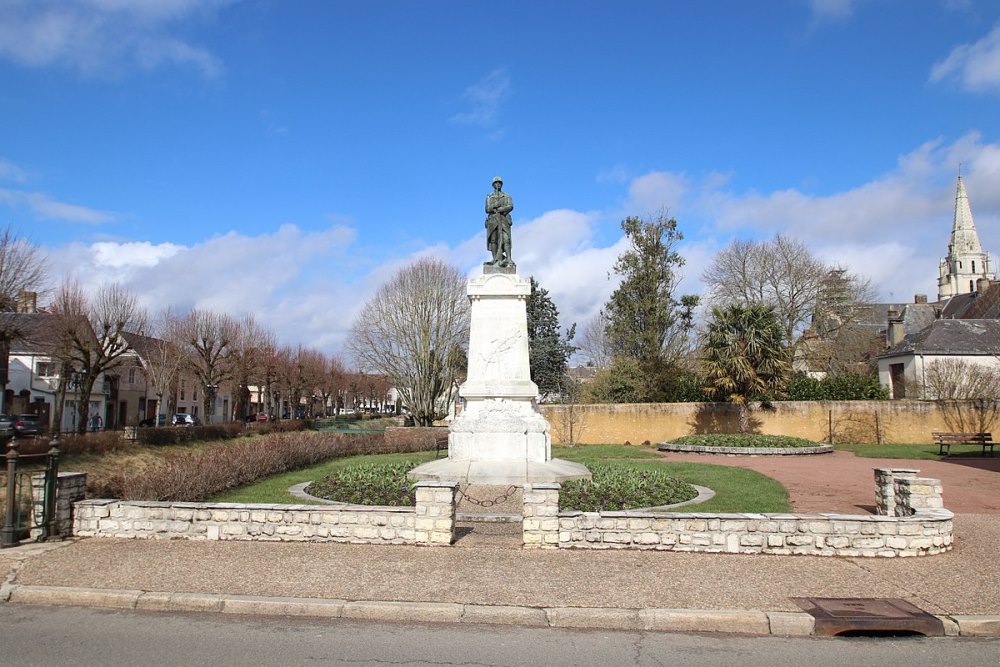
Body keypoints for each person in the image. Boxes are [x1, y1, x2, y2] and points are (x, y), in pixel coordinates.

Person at [485, 176, 514, 267]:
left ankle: (509, 258)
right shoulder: (489, 196)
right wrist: (496, 204)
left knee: (506, 238)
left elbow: (510, 206)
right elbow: (487, 209)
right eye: (496, 183)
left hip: (504, 219)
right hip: (493, 220)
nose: (498, 184)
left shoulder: (506, 196)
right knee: (493, 239)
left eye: (499, 183)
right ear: (493, 185)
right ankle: (495, 259)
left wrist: (502, 209)